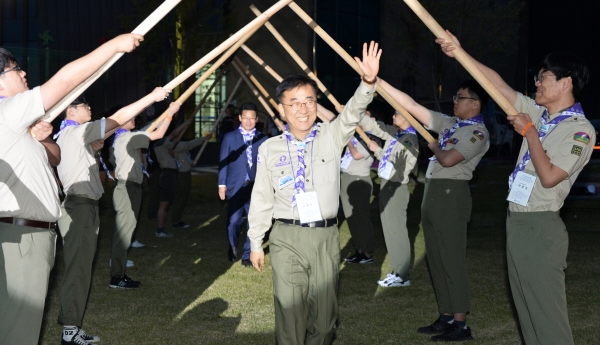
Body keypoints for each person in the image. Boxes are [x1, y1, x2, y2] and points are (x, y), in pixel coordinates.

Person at [439, 33, 594, 345]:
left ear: (566, 82)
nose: (536, 83)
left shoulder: (579, 130)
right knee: (527, 315)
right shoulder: (541, 114)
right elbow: (498, 86)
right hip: (518, 222)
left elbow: (550, 177)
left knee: (548, 319)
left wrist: (529, 133)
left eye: (544, 77)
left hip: (541, 226)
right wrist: (461, 53)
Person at [0, 34, 142, 345]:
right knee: (18, 329)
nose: (24, 74)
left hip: (31, 234)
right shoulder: (8, 111)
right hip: (23, 235)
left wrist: (46, 139)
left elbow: (53, 158)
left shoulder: (16, 122)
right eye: (15, 70)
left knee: (17, 321)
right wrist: (113, 46)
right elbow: (64, 81)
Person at [248, 41, 381, 344]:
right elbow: (261, 198)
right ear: (281, 108)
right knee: (290, 314)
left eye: (308, 101)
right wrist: (256, 241)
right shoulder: (269, 148)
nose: (303, 109)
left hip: (324, 238)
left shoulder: (331, 137)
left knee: (324, 323)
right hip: (286, 237)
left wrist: (367, 82)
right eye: (294, 102)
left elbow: (352, 113)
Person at [377, 76, 489, 341]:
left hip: (451, 194)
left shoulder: (477, 132)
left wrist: (435, 145)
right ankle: (446, 315)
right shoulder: (451, 124)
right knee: (436, 260)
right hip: (434, 191)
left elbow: (449, 159)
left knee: (451, 259)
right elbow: (413, 106)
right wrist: (380, 83)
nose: (455, 102)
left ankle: (461, 324)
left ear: (475, 103)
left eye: (460, 97)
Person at [54, 88, 169, 344]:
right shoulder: (75, 132)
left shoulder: (68, 135)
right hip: (79, 207)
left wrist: (93, 150)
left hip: (82, 206)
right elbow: (117, 118)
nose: (91, 111)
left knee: (81, 268)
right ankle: (70, 331)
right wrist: (151, 97)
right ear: (70, 110)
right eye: (86, 107)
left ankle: (71, 327)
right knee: (78, 270)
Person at [109, 102, 180, 290]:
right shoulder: (128, 138)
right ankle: (117, 276)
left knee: (126, 230)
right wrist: (170, 114)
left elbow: (150, 129)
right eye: (130, 117)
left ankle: (119, 273)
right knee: (124, 232)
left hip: (130, 187)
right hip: (127, 188)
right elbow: (158, 134)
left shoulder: (123, 138)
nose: (134, 118)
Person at [360, 111, 418, 286]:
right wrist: (357, 113)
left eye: (397, 114)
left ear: (408, 118)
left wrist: (377, 150)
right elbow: (377, 128)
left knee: (396, 232)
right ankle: (397, 270)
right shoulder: (396, 133)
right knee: (389, 230)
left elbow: (395, 161)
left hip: (396, 186)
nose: (393, 117)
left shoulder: (410, 139)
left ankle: (402, 275)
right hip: (386, 184)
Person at [218, 102, 267, 266]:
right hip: (235, 185)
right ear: (240, 118)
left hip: (255, 186)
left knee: (253, 222)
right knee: (234, 221)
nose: (248, 121)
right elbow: (223, 161)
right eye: (245, 118)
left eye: (251, 118)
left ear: (256, 119)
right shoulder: (230, 137)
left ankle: (247, 254)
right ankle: (232, 246)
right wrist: (221, 184)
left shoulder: (263, 138)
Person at [153, 118, 190, 238]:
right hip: (167, 174)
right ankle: (160, 229)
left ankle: (161, 228)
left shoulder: (163, 145)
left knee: (166, 203)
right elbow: (174, 134)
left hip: (171, 174)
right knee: (164, 204)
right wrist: (185, 123)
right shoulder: (159, 142)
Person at [170, 129, 212, 228]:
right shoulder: (174, 145)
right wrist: (204, 138)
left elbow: (184, 155)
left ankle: (177, 218)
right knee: (180, 196)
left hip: (185, 172)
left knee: (183, 196)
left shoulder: (178, 144)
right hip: (181, 174)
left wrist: (190, 163)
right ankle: (176, 220)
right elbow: (188, 145)